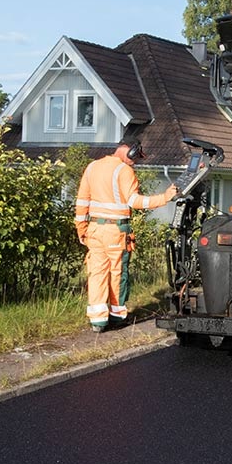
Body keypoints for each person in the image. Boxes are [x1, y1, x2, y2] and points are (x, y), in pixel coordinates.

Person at [75, 138, 178, 332]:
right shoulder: (124, 171)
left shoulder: (92, 167)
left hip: (94, 230)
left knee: (96, 273)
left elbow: (82, 202)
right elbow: (134, 201)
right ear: (129, 151)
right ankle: (116, 316)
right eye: (136, 157)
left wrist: (81, 229)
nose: (135, 162)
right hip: (116, 231)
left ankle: (97, 321)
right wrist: (164, 198)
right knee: (118, 273)